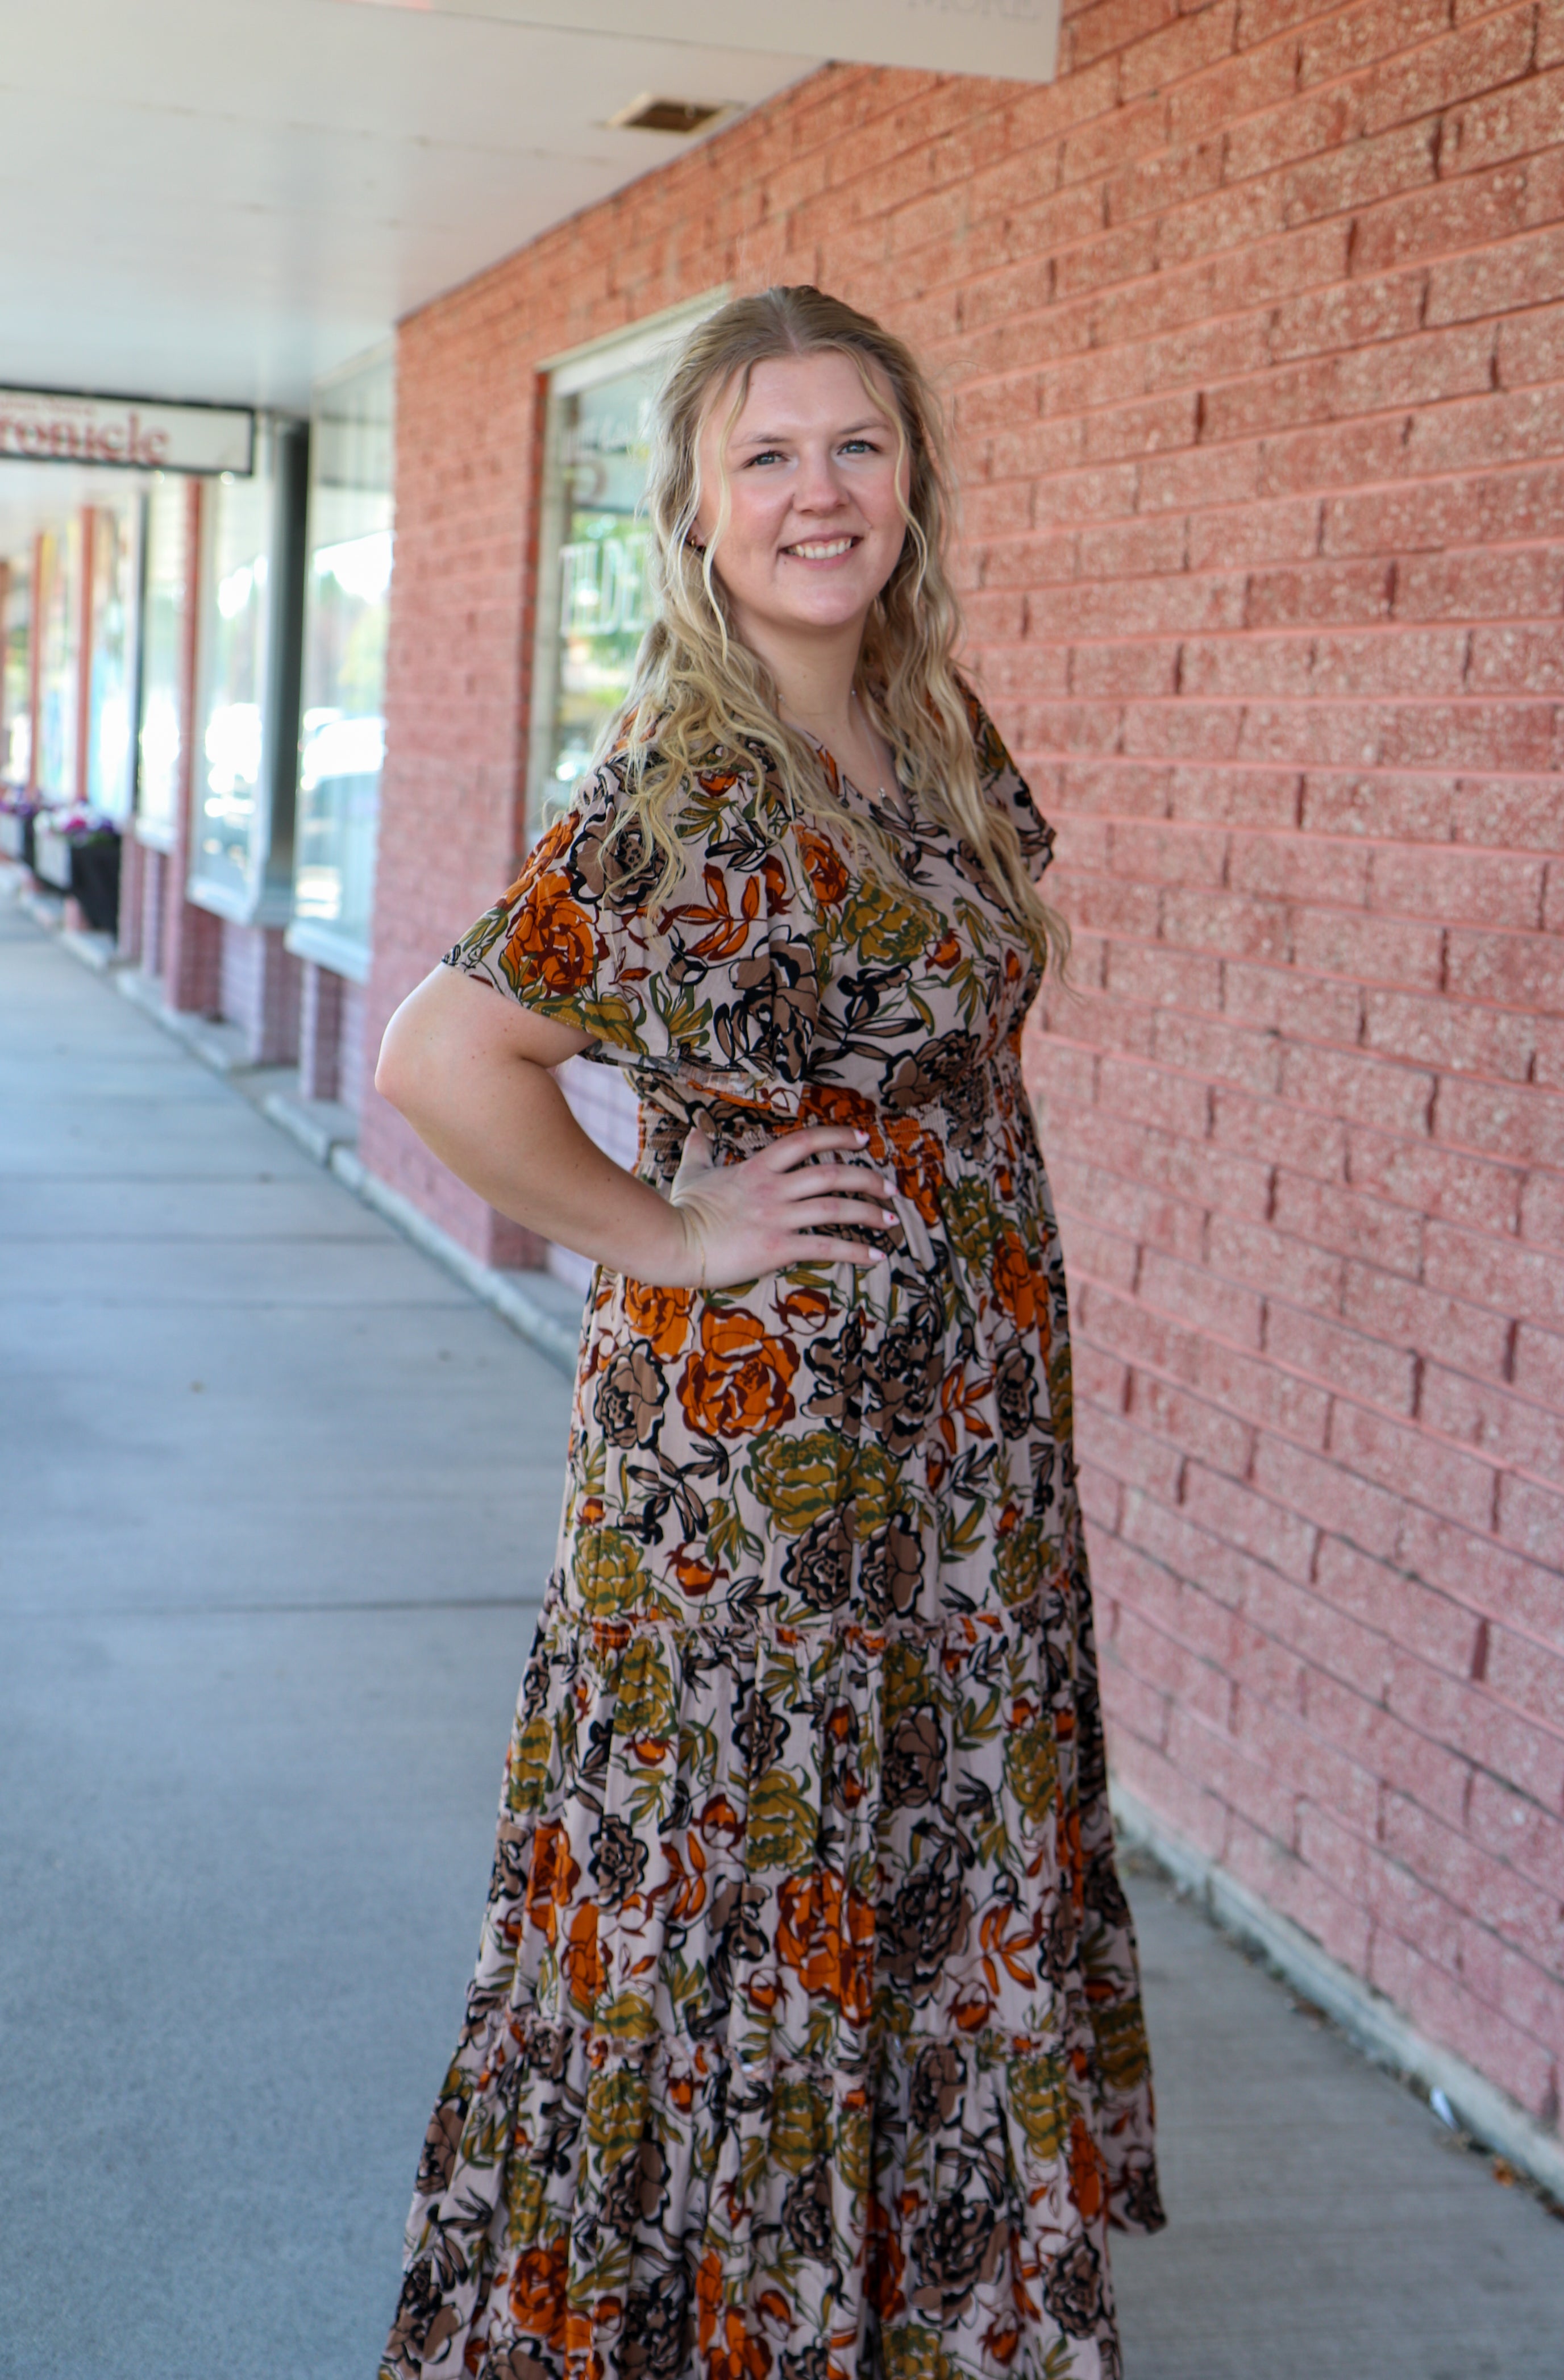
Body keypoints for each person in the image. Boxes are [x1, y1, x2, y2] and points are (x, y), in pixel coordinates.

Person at [374, 284, 1163, 2380]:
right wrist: (669, 1231)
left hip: (957, 1477)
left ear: (913, 480)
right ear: (699, 513)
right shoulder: (692, 787)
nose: (824, 492)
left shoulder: (928, 734)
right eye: (770, 454)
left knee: (913, 1890)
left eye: (859, 446)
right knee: (747, 1911)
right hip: (762, 1502)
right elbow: (444, 1059)